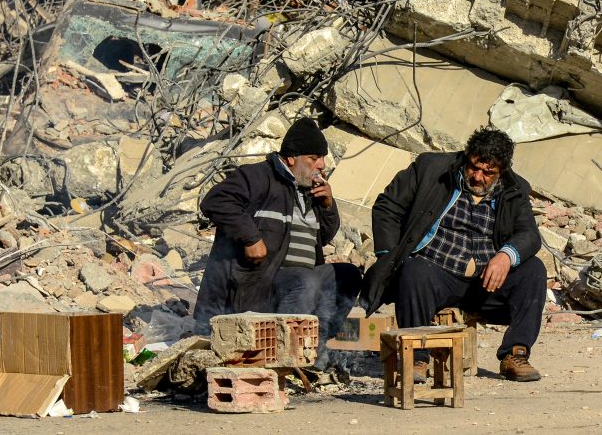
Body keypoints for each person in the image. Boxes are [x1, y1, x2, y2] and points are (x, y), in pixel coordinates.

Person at [361, 126, 546, 381]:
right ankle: (417, 358)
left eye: (488, 173)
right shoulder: (431, 169)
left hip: (484, 285)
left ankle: (515, 354)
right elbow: (388, 206)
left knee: (534, 270)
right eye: (474, 167)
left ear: (500, 172)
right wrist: (389, 256)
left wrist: (505, 256)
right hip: (435, 275)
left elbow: (529, 234)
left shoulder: (514, 189)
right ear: (467, 156)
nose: (478, 177)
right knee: (414, 270)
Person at [194, 118, 362, 371]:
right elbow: (215, 201)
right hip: (260, 284)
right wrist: (250, 238)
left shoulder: (309, 189)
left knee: (347, 276)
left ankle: (314, 347)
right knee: (305, 282)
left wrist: (328, 206)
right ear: (292, 158)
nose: (321, 165)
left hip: (301, 283)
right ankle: (287, 358)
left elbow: (323, 238)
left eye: (322, 159)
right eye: (314, 158)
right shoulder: (258, 177)